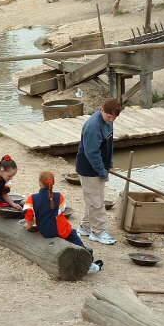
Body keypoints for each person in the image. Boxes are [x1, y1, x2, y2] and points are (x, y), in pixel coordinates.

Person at [24, 171, 103, 274]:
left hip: (45, 231)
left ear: (40, 183)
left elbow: (28, 213)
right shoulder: (59, 197)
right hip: (59, 230)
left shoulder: (32, 198)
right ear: (53, 183)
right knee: (72, 234)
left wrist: (29, 226)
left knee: (67, 230)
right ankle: (86, 253)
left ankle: (84, 252)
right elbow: (62, 209)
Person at [75, 98, 122, 245]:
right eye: (109, 116)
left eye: (114, 117)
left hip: (99, 166)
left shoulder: (109, 121)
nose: (112, 119)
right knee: (96, 202)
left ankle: (85, 227)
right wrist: (101, 170)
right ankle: (98, 232)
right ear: (102, 109)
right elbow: (92, 153)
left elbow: (109, 144)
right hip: (89, 169)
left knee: (93, 199)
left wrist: (109, 163)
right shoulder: (93, 126)